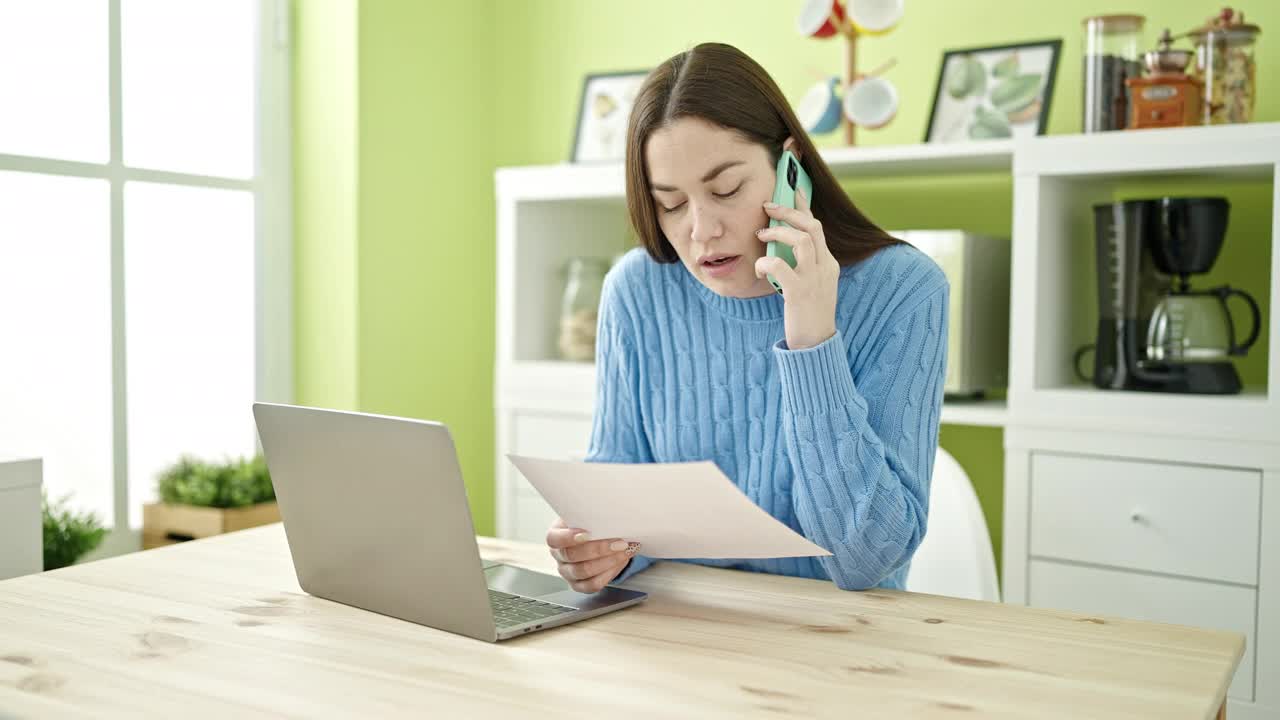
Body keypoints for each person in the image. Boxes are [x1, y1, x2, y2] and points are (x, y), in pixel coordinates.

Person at [545, 42, 948, 593]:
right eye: (671, 202)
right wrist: (600, 552)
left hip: (840, 645)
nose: (700, 229)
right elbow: (623, 517)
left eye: (726, 189)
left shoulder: (903, 290)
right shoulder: (636, 291)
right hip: (679, 634)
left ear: (791, 167)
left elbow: (865, 560)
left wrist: (812, 337)